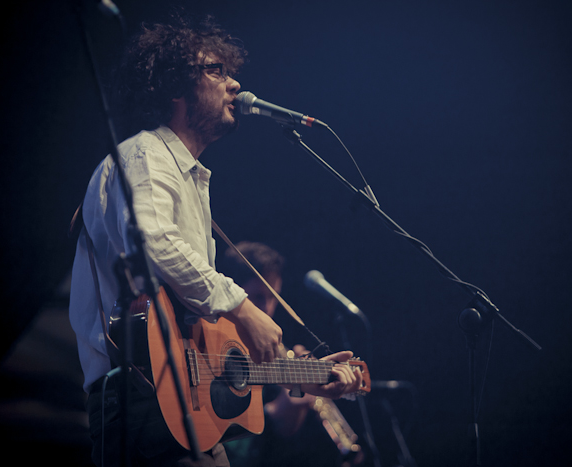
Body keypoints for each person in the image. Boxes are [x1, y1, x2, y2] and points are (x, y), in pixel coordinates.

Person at [68, 14, 362, 467]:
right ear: (174, 86)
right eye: (216, 70)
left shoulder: (188, 177)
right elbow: (152, 242)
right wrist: (243, 308)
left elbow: (204, 347)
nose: (234, 84)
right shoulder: (145, 154)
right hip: (142, 402)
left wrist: (303, 376)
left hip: (178, 409)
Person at [218, 242, 364, 467]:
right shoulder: (215, 344)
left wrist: (298, 400)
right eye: (258, 297)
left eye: (274, 297)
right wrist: (275, 411)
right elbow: (227, 445)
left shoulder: (277, 350)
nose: (267, 308)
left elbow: (282, 440)